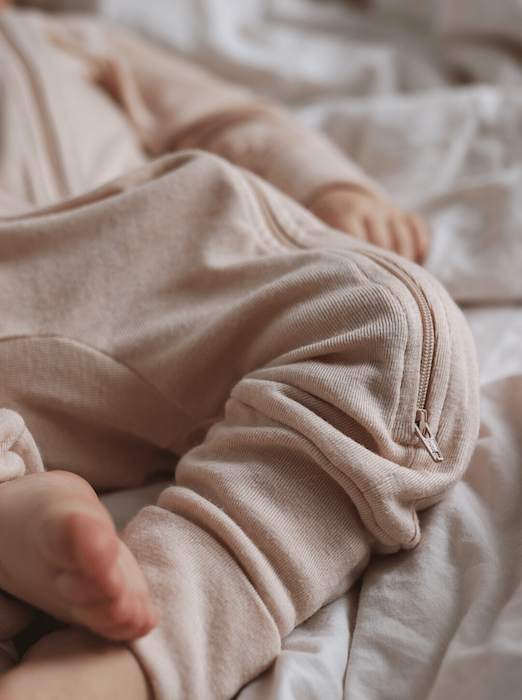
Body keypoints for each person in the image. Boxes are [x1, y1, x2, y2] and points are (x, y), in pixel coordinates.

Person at [0, 3, 479, 700]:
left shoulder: (65, 38)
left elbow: (229, 120)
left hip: (119, 271)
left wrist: (329, 186)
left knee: (392, 328)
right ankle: (14, 519)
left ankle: (145, 644)